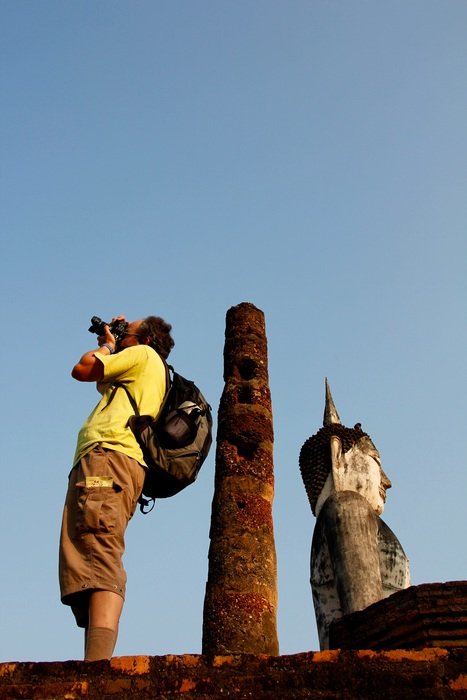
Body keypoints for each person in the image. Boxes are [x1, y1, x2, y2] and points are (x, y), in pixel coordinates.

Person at [59, 315, 174, 660]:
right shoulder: (143, 367)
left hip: (109, 456)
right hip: (111, 460)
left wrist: (109, 345)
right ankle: (93, 663)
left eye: (130, 331)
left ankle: (96, 670)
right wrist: (110, 342)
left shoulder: (144, 356)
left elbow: (83, 369)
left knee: (100, 547)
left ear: (147, 339)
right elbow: (102, 378)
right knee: (89, 551)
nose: (124, 336)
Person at [299, 380, 410, 649]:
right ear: (338, 458)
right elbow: (369, 622)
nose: (386, 480)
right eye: (375, 462)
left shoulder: (334, 516)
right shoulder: (348, 506)